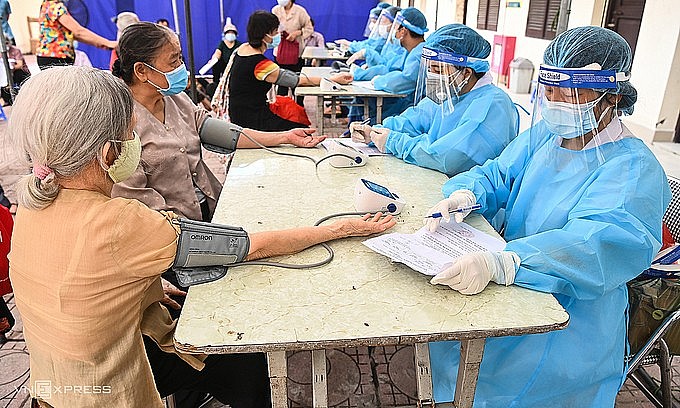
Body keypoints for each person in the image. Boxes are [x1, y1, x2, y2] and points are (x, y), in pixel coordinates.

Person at [8, 66, 396, 408]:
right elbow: (246, 246)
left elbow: (85, 277)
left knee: (186, 312)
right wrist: (339, 229)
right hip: (106, 391)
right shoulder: (121, 221)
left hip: (54, 382)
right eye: (130, 138)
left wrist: (146, 291)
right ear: (108, 152)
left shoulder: (33, 200)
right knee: (244, 357)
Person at [422, 26, 671, 407]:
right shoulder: (546, 136)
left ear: (611, 95)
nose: (556, 102)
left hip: (573, 315)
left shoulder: (633, 168)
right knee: (452, 348)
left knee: (504, 385)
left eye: (571, 92)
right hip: (514, 283)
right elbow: (498, 173)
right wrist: (466, 195)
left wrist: (511, 262)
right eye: (550, 90)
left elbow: (598, 245)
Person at [350, 24, 518, 176]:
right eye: (429, 69)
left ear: (466, 72)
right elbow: (414, 119)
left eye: (437, 69)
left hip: (465, 198)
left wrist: (394, 142)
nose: (431, 76)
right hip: (433, 179)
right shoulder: (450, 93)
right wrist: (374, 132)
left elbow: (449, 158)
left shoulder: (493, 105)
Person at [222, 11, 352, 131]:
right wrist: (333, 79)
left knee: (289, 107)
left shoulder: (243, 49)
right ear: (265, 36)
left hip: (238, 112)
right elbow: (297, 80)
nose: (278, 34)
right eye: (275, 31)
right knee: (301, 128)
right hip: (251, 119)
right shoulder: (261, 64)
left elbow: (285, 74)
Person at [346, 7, 427, 124]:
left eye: (395, 27)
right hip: (407, 103)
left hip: (411, 108)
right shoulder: (411, 52)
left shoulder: (418, 54)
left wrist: (380, 81)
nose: (393, 32)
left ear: (403, 31)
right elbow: (392, 70)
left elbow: (406, 79)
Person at [36, 0, 116, 69]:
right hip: (55, 57)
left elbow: (73, 34)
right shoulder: (55, 6)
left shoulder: (47, 4)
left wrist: (98, 43)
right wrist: (108, 43)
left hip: (49, 56)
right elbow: (78, 31)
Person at [271, 0, 312, 97]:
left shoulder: (300, 11)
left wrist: (297, 33)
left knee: (298, 83)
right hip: (280, 51)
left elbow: (309, 29)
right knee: (281, 84)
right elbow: (271, 28)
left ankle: (299, 108)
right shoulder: (275, 10)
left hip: (296, 53)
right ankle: (281, 109)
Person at [210, 17, 242, 88]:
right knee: (216, 64)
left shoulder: (239, 45)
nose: (230, 34)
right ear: (225, 34)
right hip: (224, 66)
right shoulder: (222, 44)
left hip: (235, 66)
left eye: (232, 32)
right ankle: (216, 84)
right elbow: (217, 53)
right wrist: (213, 59)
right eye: (228, 32)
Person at [1, 36, 30, 106]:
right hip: (6, 73)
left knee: (19, 74)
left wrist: (11, 68)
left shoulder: (15, 50)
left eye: (7, 43)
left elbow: (20, 64)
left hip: (18, 71)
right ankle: (7, 99)